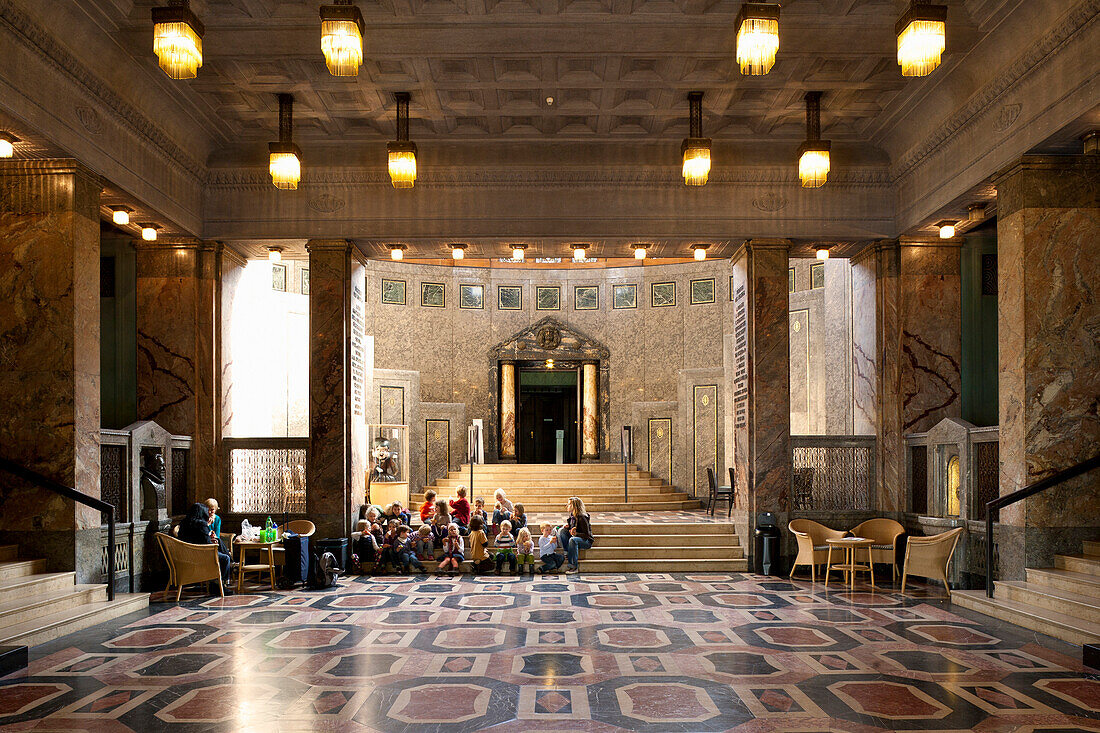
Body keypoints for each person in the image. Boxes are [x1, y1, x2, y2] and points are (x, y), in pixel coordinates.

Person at [178, 503, 232, 589]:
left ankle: (216, 582)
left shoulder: (184, 523)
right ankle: (219, 585)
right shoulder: (201, 524)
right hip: (201, 555)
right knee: (225, 558)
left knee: (219, 543)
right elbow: (207, 544)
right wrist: (213, 542)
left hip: (185, 555)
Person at [558, 497, 594, 572]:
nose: (566, 506)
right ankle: (567, 552)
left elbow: (587, 535)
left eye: (568, 504)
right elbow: (573, 529)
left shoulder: (582, 517)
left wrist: (576, 534)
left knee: (572, 540)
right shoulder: (572, 516)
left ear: (574, 506)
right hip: (576, 537)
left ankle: (573, 567)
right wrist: (568, 528)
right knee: (562, 531)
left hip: (586, 541)